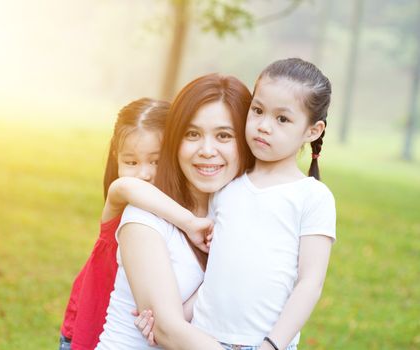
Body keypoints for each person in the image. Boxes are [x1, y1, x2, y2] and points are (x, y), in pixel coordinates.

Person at [135, 57, 336, 350]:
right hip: (202, 339)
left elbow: (309, 284)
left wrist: (272, 345)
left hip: (263, 344)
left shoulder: (312, 197)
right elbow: (216, 275)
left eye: (282, 119)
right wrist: (169, 320)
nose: (264, 126)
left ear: (312, 131)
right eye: (257, 111)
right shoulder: (227, 187)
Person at [95, 73, 254, 349]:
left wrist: (174, 318)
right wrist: (169, 324)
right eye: (192, 134)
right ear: (174, 142)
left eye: (224, 135)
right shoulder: (143, 218)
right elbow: (167, 332)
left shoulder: (234, 214)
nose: (206, 150)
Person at [59, 98, 171, 350]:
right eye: (131, 162)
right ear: (116, 158)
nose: (144, 173)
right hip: (88, 328)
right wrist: (191, 222)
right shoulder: (120, 199)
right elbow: (126, 186)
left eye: (156, 160)